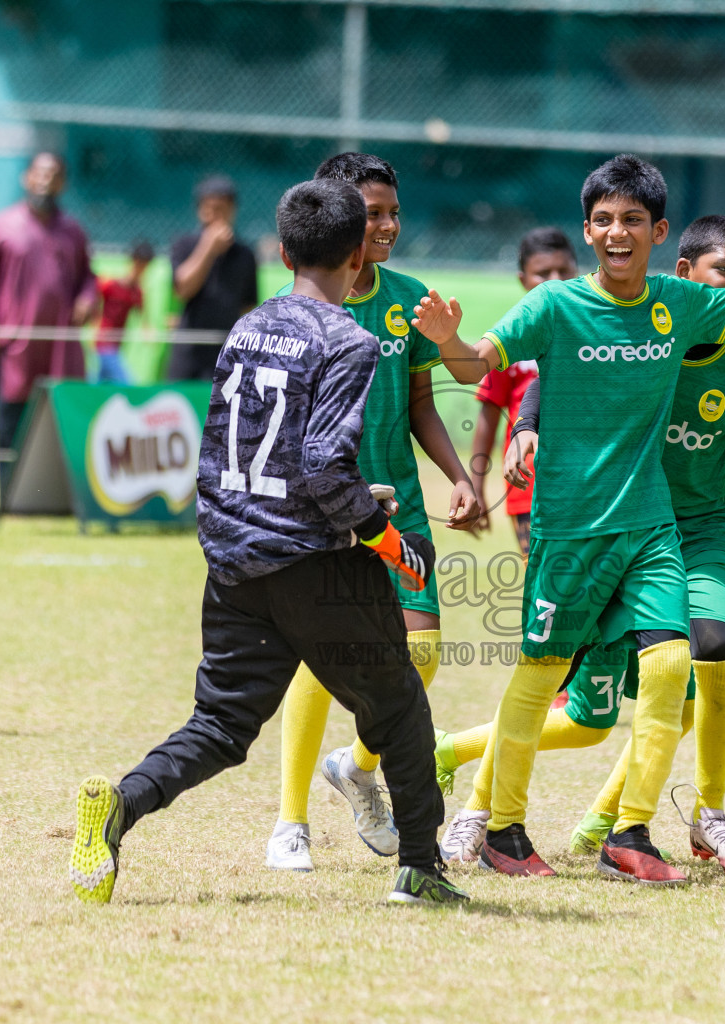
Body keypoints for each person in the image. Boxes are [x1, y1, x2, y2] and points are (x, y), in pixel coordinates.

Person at [414, 153, 725, 883]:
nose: (616, 232)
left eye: (632, 220)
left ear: (658, 231)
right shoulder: (555, 306)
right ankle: (501, 826)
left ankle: (629, 833)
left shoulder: (680, 302)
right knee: (540, 683)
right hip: (569, 533)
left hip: (652, 529)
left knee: (672, 667)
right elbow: (478, 363)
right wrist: (448, 340)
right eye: (603, 220)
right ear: (588, 229)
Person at [68, 178, 467, 908]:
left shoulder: (247, 326)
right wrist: (384, 536)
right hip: (317, 566)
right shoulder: (348, 339)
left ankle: (119, 810)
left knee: (219, 725)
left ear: (282, 251)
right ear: (356, 254)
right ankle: (419, 869)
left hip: (235, 561)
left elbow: (223, 448)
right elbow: (321, 464)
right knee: (401, 713)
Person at [266, 153, 483, 872]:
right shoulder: (300, 305)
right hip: (322, 511)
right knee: (318, 661)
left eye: (393, 210)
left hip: (401, 506)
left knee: (420, 654)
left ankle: (356, 766)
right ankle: (290, 822)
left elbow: (424, 399)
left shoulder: (412, 299)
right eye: (372, 212)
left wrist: (459, 475)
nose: (386, 224)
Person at [0, 151, 97, 497]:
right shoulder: (0, 227)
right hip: (16, 348)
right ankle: (10, 497)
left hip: (60, 347)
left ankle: (62, 497)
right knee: (12, 423)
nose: (45, 181)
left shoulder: (73, 231)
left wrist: (88, 298)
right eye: (39, 173)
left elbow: (88, 278)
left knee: (63, 424)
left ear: (63, 182)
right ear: (26, 178)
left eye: (54, 174)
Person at [469, 227, 578, 554]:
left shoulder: (591, 330)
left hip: (585, 479)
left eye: (564, 271)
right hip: (528, 482)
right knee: (544, 576)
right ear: (523, 279)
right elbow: (488, 414)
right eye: (543, 273)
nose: (554, 280)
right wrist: (476, 485)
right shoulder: (510, 337)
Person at [166, 175, 258, 383]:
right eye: (210, 209)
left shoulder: (244, 254)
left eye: (221, 209)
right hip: (188, 348)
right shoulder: (184, 244)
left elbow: (248, 306)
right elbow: (183, 289)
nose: (215, 217)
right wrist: (208, 247)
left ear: (232, 210)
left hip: (227, 350)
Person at [93, 241, 152, 385]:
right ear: (135, 262)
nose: (142, 270)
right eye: (142, 265)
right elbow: (93, 298)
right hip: (104, 342)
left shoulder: (137, 292)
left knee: (97, 383)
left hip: (117, 344)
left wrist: (147, 330)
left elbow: (143, 316)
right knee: (126, 382)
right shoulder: (111, 286)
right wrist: (94, 319)